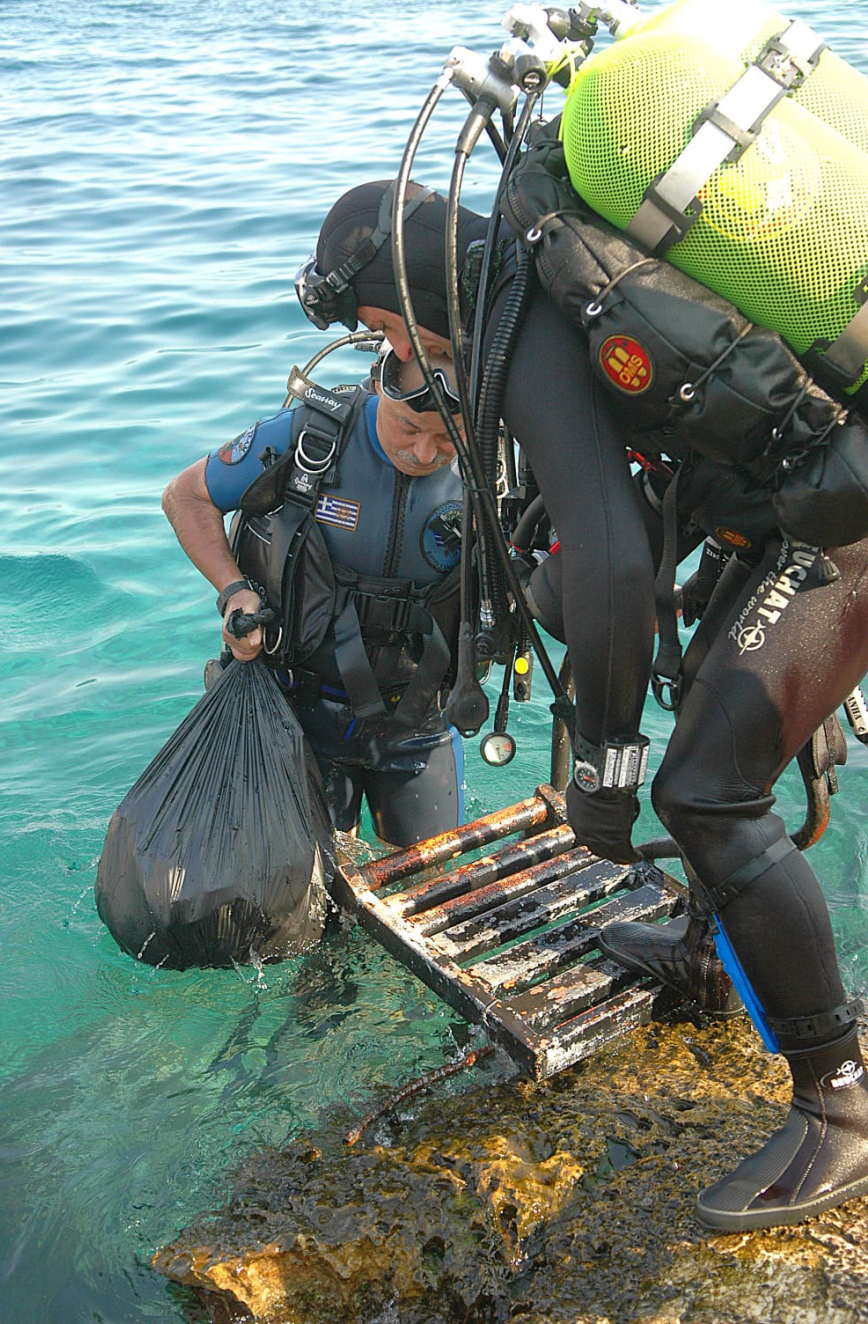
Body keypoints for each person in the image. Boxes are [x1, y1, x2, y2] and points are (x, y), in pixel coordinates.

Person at [294, 177, 868, 1232]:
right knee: (707, 711)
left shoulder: (516, 312)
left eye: (384, 325)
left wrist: (604, 765)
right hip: (815, 493)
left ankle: (840, 1101)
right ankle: (702, 953)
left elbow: (608, 569)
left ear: (405, 285)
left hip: (843, 526)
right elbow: (627, 517)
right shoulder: (544, 279)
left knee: (705, 790)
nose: (398, 356)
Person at [162, 345, 468, 848]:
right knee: (301, 895)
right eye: (410, 429)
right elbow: (185, 495)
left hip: (419, 711)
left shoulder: (496, 462)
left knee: (432, 874)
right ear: (377, 389)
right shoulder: (310, 435)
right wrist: (234, 591)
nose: (424, 454)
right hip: (296, 708)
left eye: (445, 439)